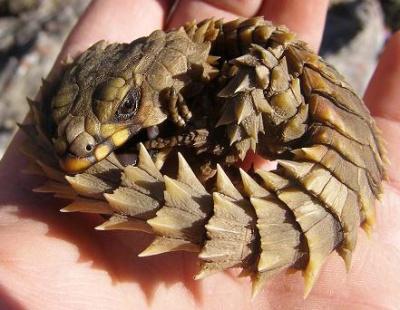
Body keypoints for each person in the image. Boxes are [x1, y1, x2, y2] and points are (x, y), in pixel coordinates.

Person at [0, 0, 399, 308]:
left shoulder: (225, 60)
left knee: (258, 70)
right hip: (339, 174)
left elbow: (259, 87)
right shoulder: (186, 68)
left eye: (128, 106)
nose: (82, 147)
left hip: (337, 175)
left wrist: (208, 145)